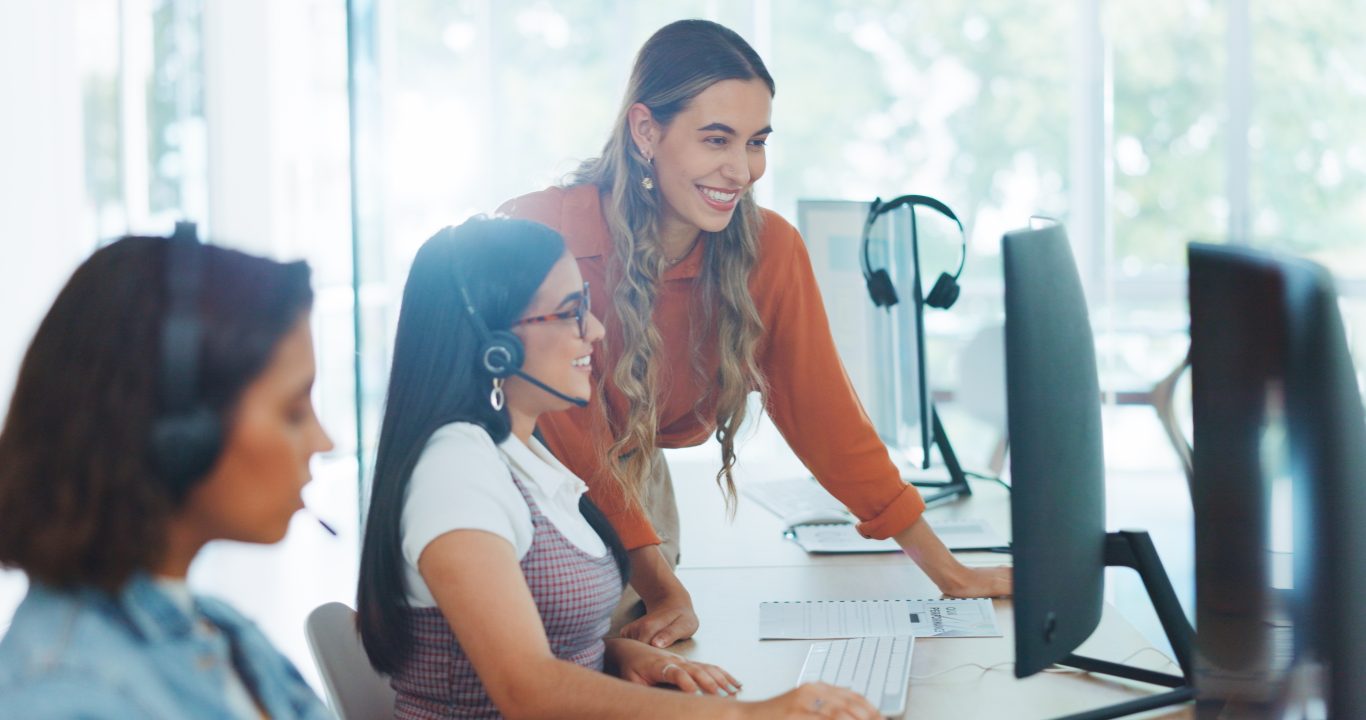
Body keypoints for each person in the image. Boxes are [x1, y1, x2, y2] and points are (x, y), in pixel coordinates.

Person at [498, 19, 1012, 649]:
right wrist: (662, 587)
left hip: (632, 482)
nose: (741, 170)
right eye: (717, 139)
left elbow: (828, 419)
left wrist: (949, 573)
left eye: (757, 142)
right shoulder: (542, 233)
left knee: (651, 670)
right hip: (523, 486)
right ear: (644, 131)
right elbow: (573, 441)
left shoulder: (769, 251)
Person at [356, 217, 877, 719]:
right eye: (569, 312)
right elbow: (526, 690)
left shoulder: (523, 455)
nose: (597, 330)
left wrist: (611, 655)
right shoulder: (455, 473)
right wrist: (745, 714)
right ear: (495, 347)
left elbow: (519, 638)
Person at [0, 234, 333, 718]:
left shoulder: (223, 632)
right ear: (181, 436)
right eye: (294, 411)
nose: (325, 441)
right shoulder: (63, 694)